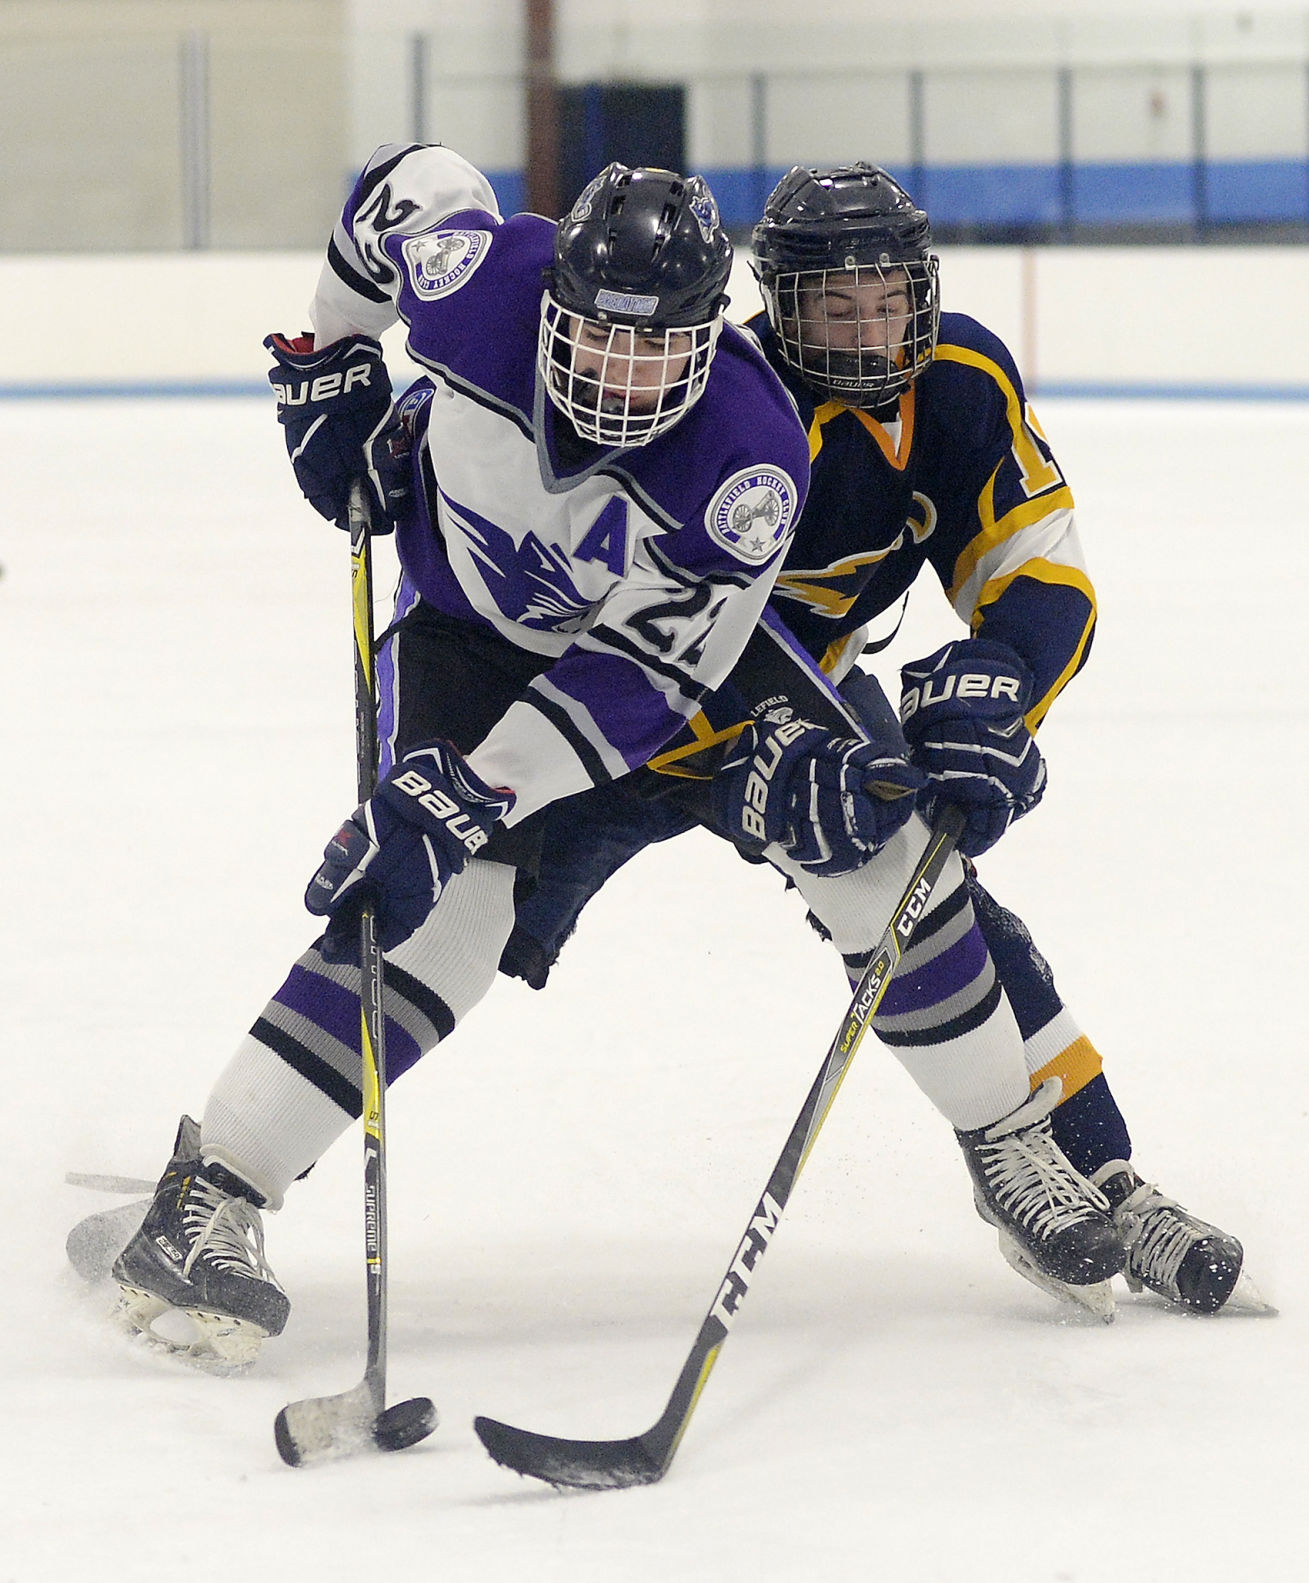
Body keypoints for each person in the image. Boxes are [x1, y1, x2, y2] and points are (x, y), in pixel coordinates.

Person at [498, 162, 1250, 1318]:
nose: (868, 329)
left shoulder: (959, 379)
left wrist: (1000, 693)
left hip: (810, 703)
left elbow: (1041, 574)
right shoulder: (719, 394)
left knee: (935, 896)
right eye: (833, 306)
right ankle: (240, 1156)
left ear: (925, 288)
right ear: (778, 303)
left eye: (889, 298)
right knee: (448, 902)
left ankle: (1088, 1168)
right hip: (630, 711)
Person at [110, 143, 814, 1368]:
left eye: (659, 351)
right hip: (459, 631)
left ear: (711, 337)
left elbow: (640, 679)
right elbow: (413, 179)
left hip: (601, 669)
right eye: (601, 338)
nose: (625, 377)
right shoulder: (478, 280)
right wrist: (334, 356)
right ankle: (213, 1184)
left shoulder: (747, 464)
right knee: (442, 914)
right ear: (557, 307)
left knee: (463, 865)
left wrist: (473, 793)